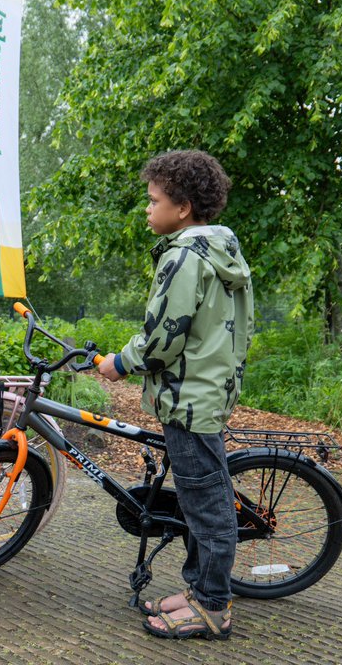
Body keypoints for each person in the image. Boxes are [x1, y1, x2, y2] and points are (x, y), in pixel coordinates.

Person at [97, 150, 254, 640]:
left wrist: (118, 362)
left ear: (182, 207)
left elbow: (164, 336)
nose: (147, 209)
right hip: (207, 391)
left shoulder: (185, 256)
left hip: (190, 399)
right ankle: (197, 589)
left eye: (154, 200)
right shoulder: (220, 251)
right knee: (196, 501)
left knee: (206, 508)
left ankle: (212, 606)